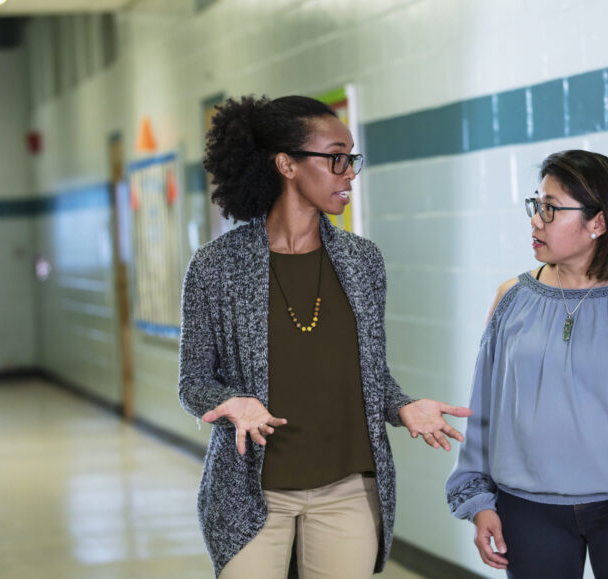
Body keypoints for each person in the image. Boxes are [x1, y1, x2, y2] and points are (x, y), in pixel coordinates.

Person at [178, 94, 471, 579]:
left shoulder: (363, 261)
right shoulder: (216, 267)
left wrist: (401, 406)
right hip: (253, 493)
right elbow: (193, 383)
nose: (349, 173)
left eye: (351, 159)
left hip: (348, 491)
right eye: (336, 158)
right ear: (286, 164)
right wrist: (233, 401)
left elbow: (370, 375)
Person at [445, 150, 608, 578]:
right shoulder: (511, 298)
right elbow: (483, 414)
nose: (535, 220)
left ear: (598, 223)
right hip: (526, 511)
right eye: (536, 206)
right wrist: (478, 501)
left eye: (550, 209)